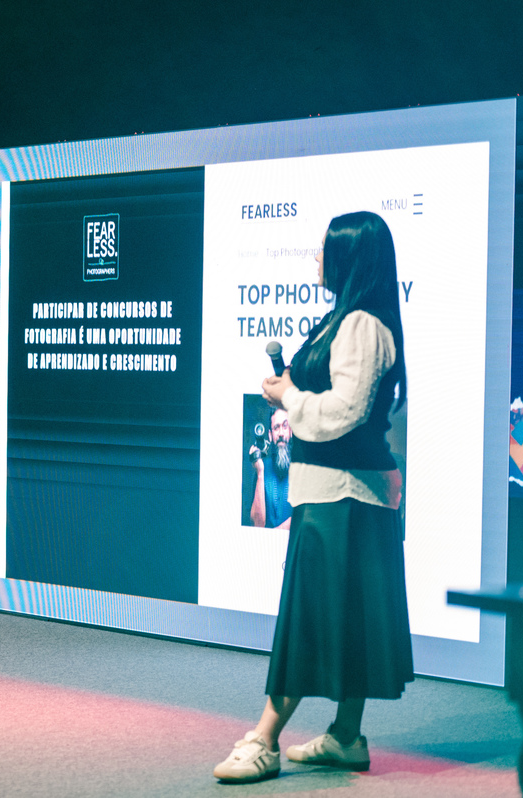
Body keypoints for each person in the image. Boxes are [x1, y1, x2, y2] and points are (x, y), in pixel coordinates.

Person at [214, 211, 412, 783]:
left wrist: (290, 399)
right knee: (345, 619)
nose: (317, 257)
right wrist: (290, 393)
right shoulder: (345, 320)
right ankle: (346, 736)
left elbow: (346, 412)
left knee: (307, 622)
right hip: (337, 496)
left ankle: (264, 739)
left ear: (350, 257)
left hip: (344, 498)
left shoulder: (362, 325)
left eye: (325, 248)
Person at [249, 406, 293, 529]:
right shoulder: (262, 469)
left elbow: (304, 517)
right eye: (276, 428)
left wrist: (273, 535)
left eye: (285, 426)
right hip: (265, 542)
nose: (281, 433)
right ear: (270, 435)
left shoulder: (303, 469)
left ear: (291, 431)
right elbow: (257, 525)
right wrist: (260, 472)